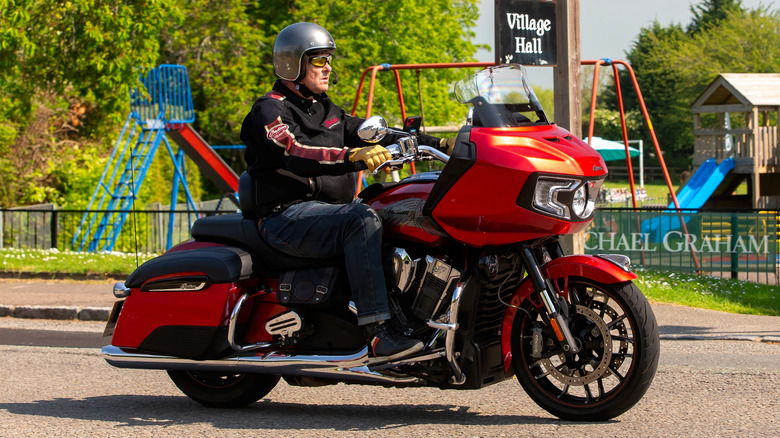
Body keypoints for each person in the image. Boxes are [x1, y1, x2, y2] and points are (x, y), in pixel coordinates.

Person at [240, 22, 456, 359]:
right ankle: (379, 333)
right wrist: (351, 156)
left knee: (403, 205)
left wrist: (442, 143)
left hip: (325, 213)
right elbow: (294, 150)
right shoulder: (270, 109)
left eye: (329, 60)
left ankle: (419, 318)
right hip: (286, 217)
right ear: (293, 64)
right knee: (360, 220)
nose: (328, 67)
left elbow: (376, 133)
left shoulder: (326, 110)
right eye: (319, 60)